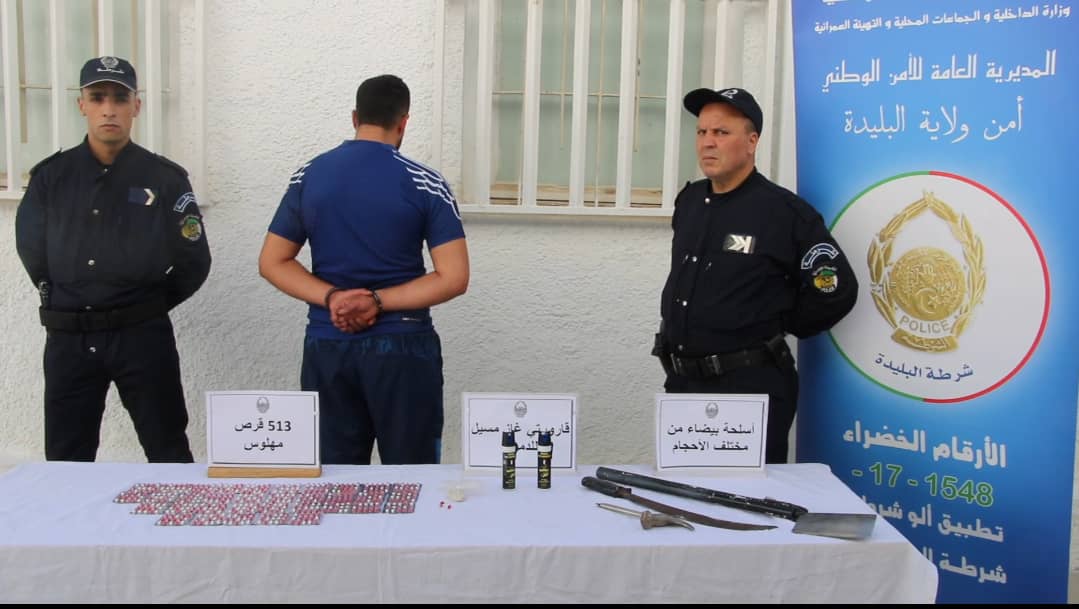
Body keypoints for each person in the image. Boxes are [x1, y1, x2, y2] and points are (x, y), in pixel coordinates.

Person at [259, 74, 469, 466]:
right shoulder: (426, 182)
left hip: (328, 342)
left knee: (333, 480)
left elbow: (273, 262)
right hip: (403, 346)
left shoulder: (309, 175)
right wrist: (377, 301)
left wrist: (333, 298)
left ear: (355, 117)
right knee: (412, 476)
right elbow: (454, 277)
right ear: (403, 122)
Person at [15, 56, 211, 462]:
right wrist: (68, 294)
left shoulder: (165, 179)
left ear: (136, 106)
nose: (109, 109)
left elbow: (193, 260)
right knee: (67, 459)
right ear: (81, 105)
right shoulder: (52, 177)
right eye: (98, 97)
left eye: (120, 98)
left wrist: (147, 303)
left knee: (168, 451)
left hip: (142, 337)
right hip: (70, 337)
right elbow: (32, 249)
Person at [654, 87, 857, 464]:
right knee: (683, 485)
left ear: (751, 142)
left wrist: (780, 321)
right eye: (701, 132)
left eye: (721, 132)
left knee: (748, 493)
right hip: (683, 384)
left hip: (747, 388)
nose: (707, 143)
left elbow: (835, 289)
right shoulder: (691, 201)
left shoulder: (783, 213)